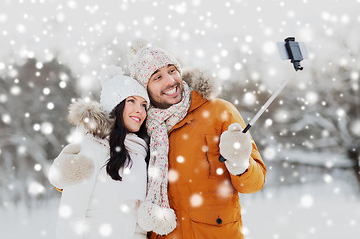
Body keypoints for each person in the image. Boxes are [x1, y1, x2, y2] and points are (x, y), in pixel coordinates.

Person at [54, 45, 267, 239]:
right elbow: (106, 180)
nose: (170, 81)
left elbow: (254, 183)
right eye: (157, 77)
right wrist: (64, 172)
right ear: (145, 89)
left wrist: (240, 164)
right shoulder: (141, 130)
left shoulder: (219, 111)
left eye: (172, 70)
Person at [48, 66, 150, 239]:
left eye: (144, 104)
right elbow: (72, 215)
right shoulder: (91, 149)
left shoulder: (139, 155)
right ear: (115, 105)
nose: (140, 110)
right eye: (131, 101)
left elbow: (138, 226)